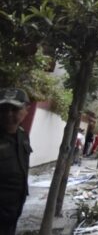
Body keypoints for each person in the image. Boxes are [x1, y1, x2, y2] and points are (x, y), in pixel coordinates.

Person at [0, 88, 32, 235]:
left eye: (15, 109)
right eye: (4, 109)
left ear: (26, 110)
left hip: (14, 208)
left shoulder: (23, 136)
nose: (8, 114)